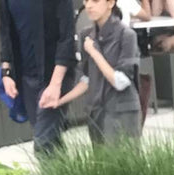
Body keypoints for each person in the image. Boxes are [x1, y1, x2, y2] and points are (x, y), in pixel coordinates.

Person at [0, 0, 75, 153]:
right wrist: (6, 72)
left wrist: (55, 85)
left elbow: (67, 38)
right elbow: (5, 32)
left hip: (55, 76)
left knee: (43, 142)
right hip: (26, 78)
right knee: (51, 140)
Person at [56, 0, 139, 142]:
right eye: (86, 1)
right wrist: (60, 101)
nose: (89, 5)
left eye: (95, 1)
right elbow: (87, 79)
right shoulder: (86, 35)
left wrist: (94, 52)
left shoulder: (126, 35)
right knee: (99, 162)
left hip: (121, 112)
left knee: (122, 161)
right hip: (96, 112)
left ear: (110, 3)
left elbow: (120, 81)